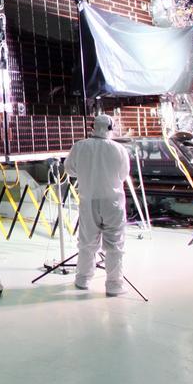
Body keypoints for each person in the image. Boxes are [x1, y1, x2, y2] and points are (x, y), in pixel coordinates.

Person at [65, 114, 131, 295]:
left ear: (92, 126)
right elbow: (124, 174)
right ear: (111, 128)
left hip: (89, 200)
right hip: (113, 202)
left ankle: (83, 279)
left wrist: (87, 171)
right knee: (115, 245)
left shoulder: (79, 146)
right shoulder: (119, 149)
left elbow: (69, 170)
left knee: (86, 242)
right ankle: (114, 285)